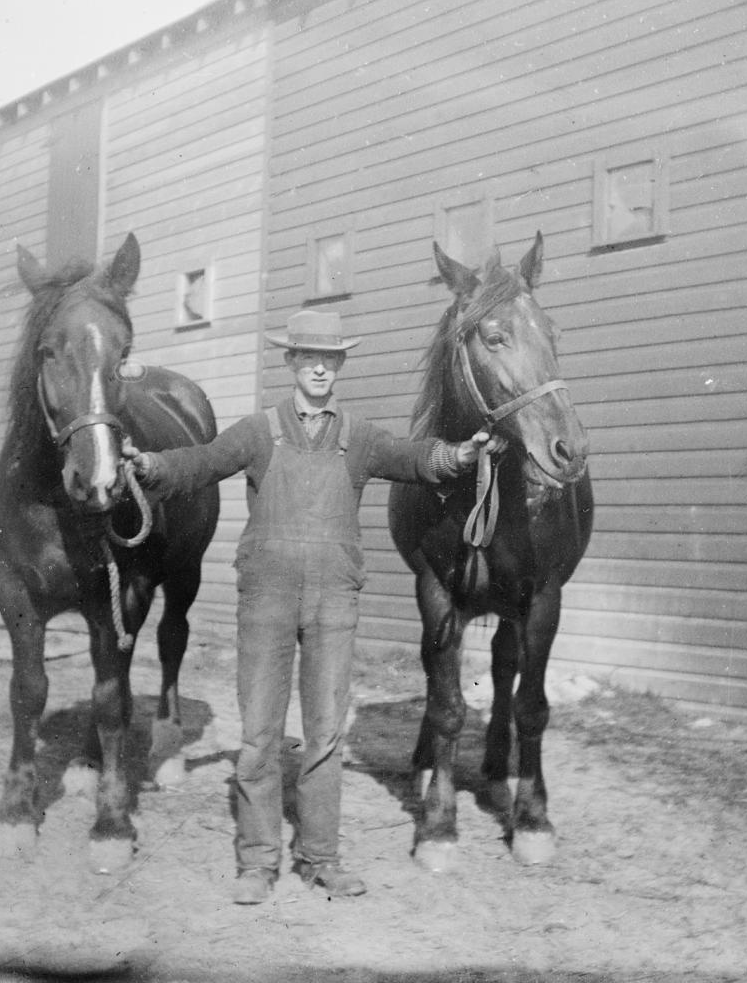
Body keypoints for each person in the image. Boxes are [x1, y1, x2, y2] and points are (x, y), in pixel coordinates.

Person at [123, 309, 499, 905]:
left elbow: (414, 458)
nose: (321, 367)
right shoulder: (256, 432)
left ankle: (321, 858)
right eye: (309, 357)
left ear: (340, 364)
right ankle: (258, 861)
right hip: (266, 599)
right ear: (292, 361)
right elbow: (200, 463)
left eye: (332, 358)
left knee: (325, 734)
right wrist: (151, 466)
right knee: (259, 735)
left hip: (333, 601)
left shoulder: (360, 437)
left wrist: (459, 455)